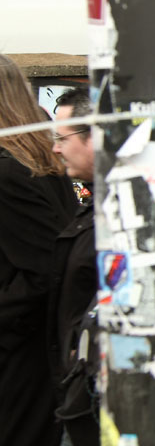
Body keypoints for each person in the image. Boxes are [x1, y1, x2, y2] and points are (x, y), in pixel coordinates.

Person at [0, 54, 78, 446]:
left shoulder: (8, 171)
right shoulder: (41, 161)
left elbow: (46, 266)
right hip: (38, 348)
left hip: (19, 354)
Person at [48, 86, 100, 446]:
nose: (56, 149)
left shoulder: (123, 217)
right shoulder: (95, 208)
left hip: (94, 398)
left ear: (94, 138)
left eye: (62, 138)